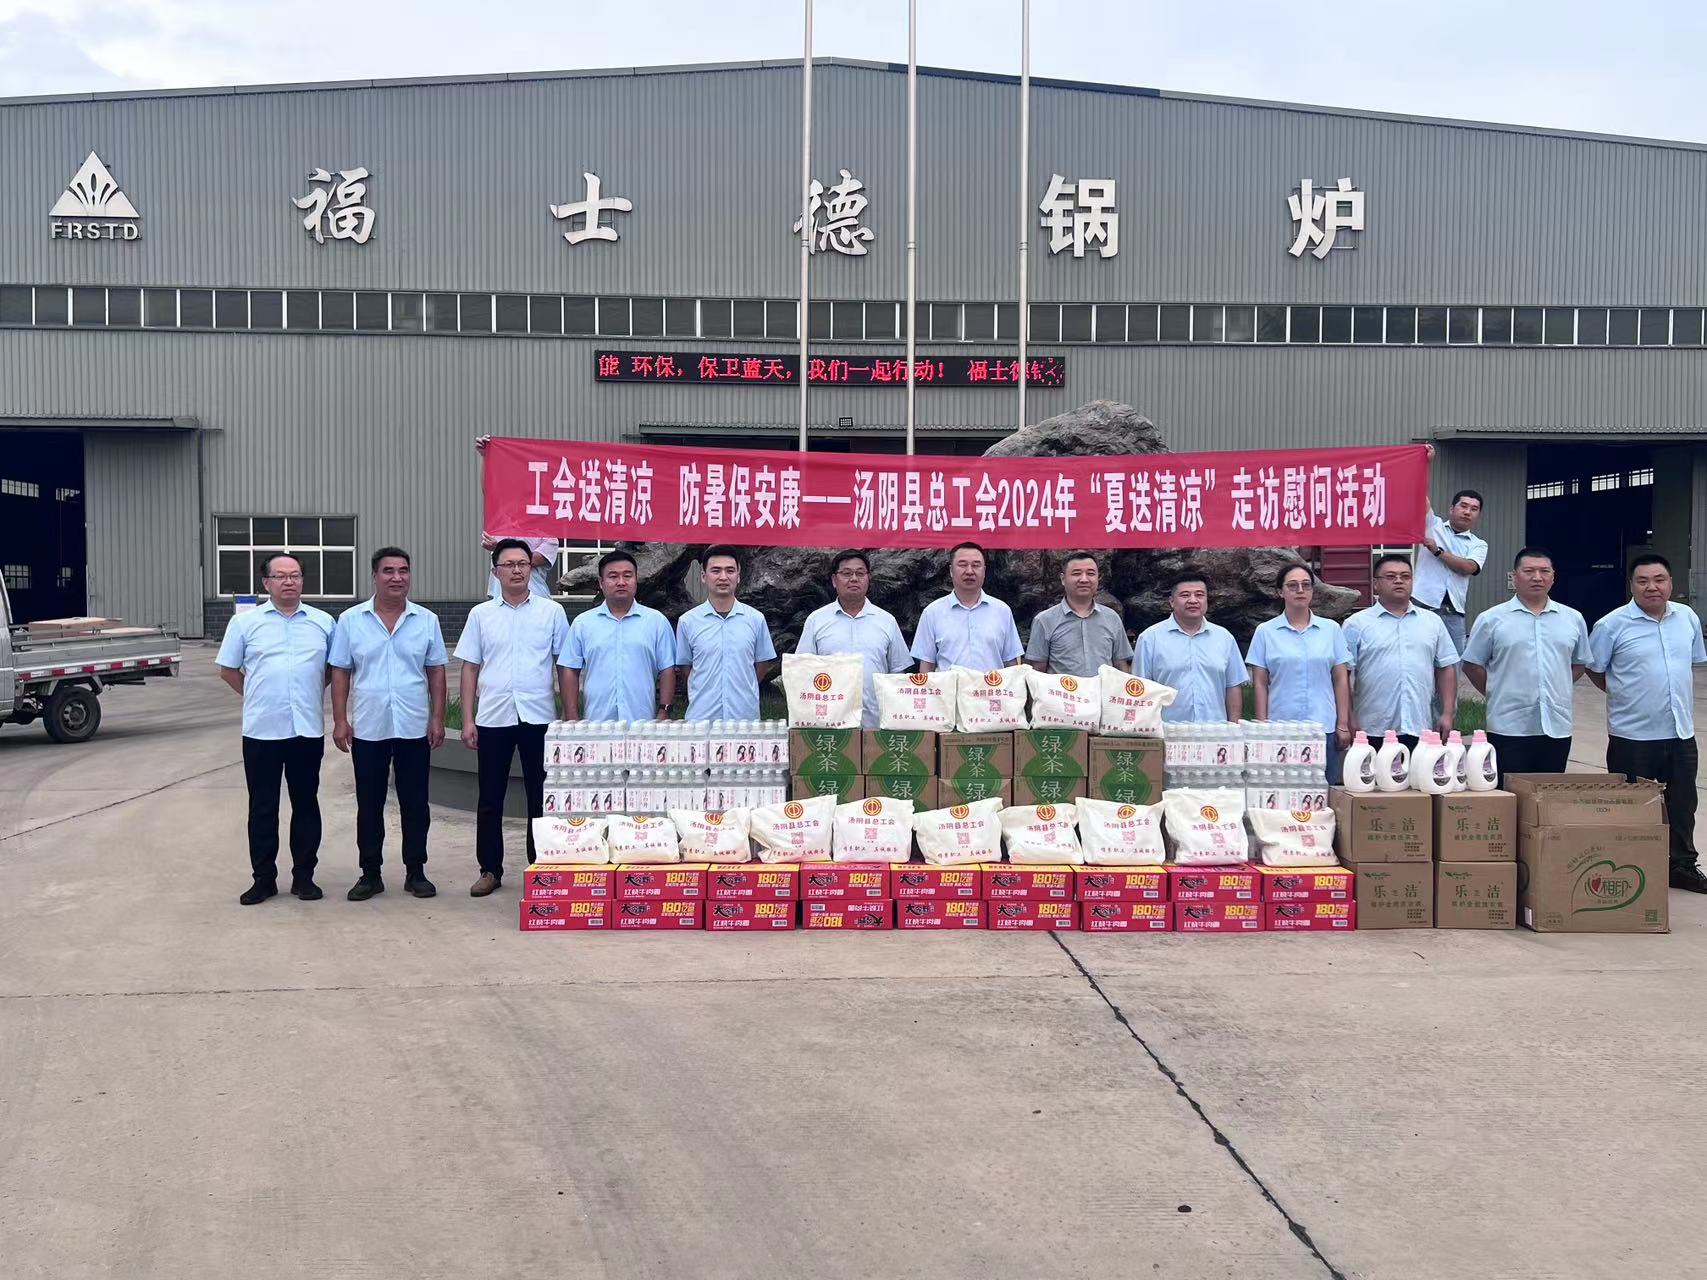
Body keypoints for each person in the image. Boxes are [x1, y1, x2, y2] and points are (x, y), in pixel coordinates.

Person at [328, 547, 448, 901]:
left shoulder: (426, 620)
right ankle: (370, 873)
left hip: (413, 726)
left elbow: (436, 671)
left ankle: (416, 871)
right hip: (369, 727)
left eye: (403, 570)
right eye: (388, 571)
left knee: (416, 803)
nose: (397, 577)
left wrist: (437, 718)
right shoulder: (351, 620)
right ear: (374, 576)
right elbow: (340, 671)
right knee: (369, 804)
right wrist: (340, 720)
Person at [453, 538, 571, 897]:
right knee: (490, 797)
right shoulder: (481, 615)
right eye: (509, 564)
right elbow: (470, 668)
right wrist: (468, 719)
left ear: (531, 569)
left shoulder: (551, 612)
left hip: (539, 717)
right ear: (496, 572)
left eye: (523, 563)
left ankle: (542, 865)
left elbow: (564, 665)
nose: (517, 570)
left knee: (541, 795)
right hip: (493, 717)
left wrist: (569, 716)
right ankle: (490, 869)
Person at [215, 553, 335, 905]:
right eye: (280, 576)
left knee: (306, 804)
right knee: (263, 807)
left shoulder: (323, 622)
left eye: (295, 575)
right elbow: (228, 670)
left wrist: (309, 691)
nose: (289, 582)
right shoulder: (245, 623)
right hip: (261, 731)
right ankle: (263, 879)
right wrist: (256, 694)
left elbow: (333, 669)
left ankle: (304, 877)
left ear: (303, 581)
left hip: (306, 730)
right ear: (266, 582)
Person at [1588, 553, 1707, 893]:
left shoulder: (1687, 618)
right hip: (1632, 735)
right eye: (1643, 581)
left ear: (1671, 583)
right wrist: (1624, 694)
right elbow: (1595, 669)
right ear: (1631, 585)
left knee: (1683, 804)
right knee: (1630, 807)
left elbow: (1691, 663)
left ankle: (1681, 866)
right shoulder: (1611, 625)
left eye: (1659, 580)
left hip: (1680, 732)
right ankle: (1630, 866)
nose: (1652, 587)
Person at [1460, 547, 1589, 784]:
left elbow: (1579, 663)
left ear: (1553, 577)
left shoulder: (1573, 618)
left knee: (1548, 793)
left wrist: (1554, 687)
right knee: (1508, 793)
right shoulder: (1491, 619)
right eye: (1529, 571)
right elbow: (1472, 664)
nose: (1537, 577)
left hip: (1557, 725)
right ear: (1514, 577)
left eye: (1544, 571)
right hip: (1508, 726)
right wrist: (1496, 691)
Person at [1245, 563, 1353, 783]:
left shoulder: (1330, 629)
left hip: (1323, 726)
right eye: (1292, 586)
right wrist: (1262, 727)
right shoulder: (1266, 632)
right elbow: (1260, 684)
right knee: (1283, 792)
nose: (1300, 590)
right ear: (1280, 591)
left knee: (1324, 791)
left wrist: (1343, 724)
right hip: (1281, 727)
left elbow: (1341, 679)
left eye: (1306, 585)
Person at [1343, 554, 1458, 749]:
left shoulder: (1432, 622)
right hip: (1371, 729)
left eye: (1405, 576)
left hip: (1419, 727)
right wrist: (1348, 717)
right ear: (1375, 584)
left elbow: (1446, 668)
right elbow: (1342, 674)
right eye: (1390, 576)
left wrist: (1447, 714)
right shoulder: (1356, 624)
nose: (1398, 581)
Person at [795, 549, 911, 729]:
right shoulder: (816, 620)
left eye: (860, 573)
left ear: (868, 578)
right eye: (847, 573)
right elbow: (803, 670)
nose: (854, 579)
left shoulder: (887, 621)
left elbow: (897, 674)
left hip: (876, 724)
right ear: (834, 580)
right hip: (829, 722)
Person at [560, 550, 677, 721]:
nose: (621, 582)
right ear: (601, 582)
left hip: (642, 722)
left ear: (636, 579)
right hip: (597, 722)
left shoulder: (656, 622)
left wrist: (664, 710)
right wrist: (572, 715)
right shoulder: (583, 623)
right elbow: (570, 669)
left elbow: (667, 669)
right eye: (613, 576)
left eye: (627, 576)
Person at [675, 545, 777, 721]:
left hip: (744, 717)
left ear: (738, 576)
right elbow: (686, 668)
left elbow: (761, 665)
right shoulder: (688, 622)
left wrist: (743, 685)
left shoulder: (755, 619)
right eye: (716, 571)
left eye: (730, 571)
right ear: (703, 576)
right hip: (702, 718)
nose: (723, 577)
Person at [1135, 570, 1247, 723]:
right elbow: (1141, 690)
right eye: (1185, 595)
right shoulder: (1150, 638)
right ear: (1171, 601)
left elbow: (1233, 687)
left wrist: (1234, 728)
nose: (1193, 600)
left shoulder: (1224, 638)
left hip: (1215, 730)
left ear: (1207, 600)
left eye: (1200, 595)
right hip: (1167, 729)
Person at [1414, 444, 1488, 660]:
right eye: (1463, 506)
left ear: (1478, 515)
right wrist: (1426, 463)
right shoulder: (1433, 526)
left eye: (1474, 509)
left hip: (1453, 612)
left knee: (1453, 664)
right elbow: (1419, 494)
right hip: (1422, 604)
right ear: (1451, 508)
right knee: (1419, 660)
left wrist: (1437, 551)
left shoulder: (1478, 544)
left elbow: (1468, 567)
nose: (1467, 512)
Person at [912, 541, 1024, 674]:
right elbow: (927, 666)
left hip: (992, 687)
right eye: (962, 565)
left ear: (984, 571)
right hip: (950, 687)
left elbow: (1011, 664)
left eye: (976, 565)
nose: (969, 571)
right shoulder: (932, 613)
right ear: (951, 570)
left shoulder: (1002, 611)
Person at [472, 435, 558, 598]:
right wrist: (486, 456)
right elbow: (489, 492)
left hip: (536, 598)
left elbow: (531, 560)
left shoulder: (549, 536)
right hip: (500, 598)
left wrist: (499, 547)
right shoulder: (503, 522)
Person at [1025, 551, 1134, 677]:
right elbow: (1037, 671)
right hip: (1060, 690)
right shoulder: (1044, 620)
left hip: (1103, 689)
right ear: (1063, 579)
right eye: (1076, 573)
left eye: (1090, 574)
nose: (1084, 579)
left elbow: (1121, 666)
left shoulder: (1112, 618)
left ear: (1098, 578)